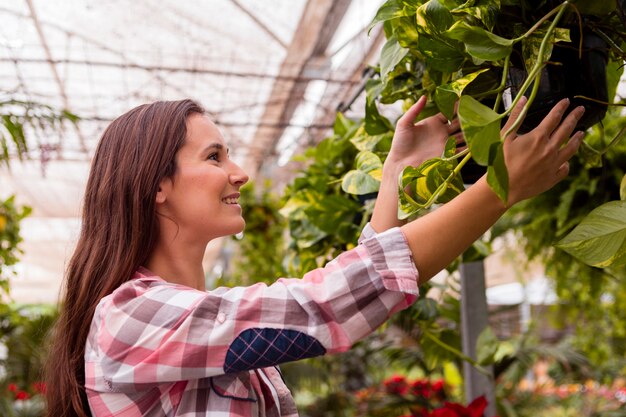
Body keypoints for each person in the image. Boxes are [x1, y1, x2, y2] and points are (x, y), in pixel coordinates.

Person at [44, 95, 584, 417]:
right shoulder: (129, 316)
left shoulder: (191, 320)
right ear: (155, 184)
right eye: (214, 156)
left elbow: (330, 299)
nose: (240, 172)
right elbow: (320, 308)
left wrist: (394, 174)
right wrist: (498, 189)